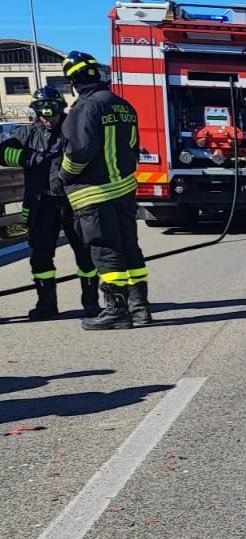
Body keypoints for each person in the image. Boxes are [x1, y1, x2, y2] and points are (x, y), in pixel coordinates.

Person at [54, 51, 150, 330]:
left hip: (94, 194)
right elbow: (133, 145)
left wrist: (63, 177)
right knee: (130, 249)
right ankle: (140, 309)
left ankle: (116, 310)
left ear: (74, 81)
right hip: (124, 191)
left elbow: (78, 152)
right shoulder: (123, 105)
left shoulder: (84, 108)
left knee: (106, 252)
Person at [0, 85, 100, 320]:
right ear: (36, 112)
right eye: (43, 114)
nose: (49, 119)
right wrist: (27, 157)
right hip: (41, 203)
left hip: (72, 202)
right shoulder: (26, 134)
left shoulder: (71, 129)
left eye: (52, 113)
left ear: (60, 109)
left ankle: (91, 303)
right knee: (41, 255)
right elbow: (2, 152)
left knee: (85, 253)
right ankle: (46, 305)